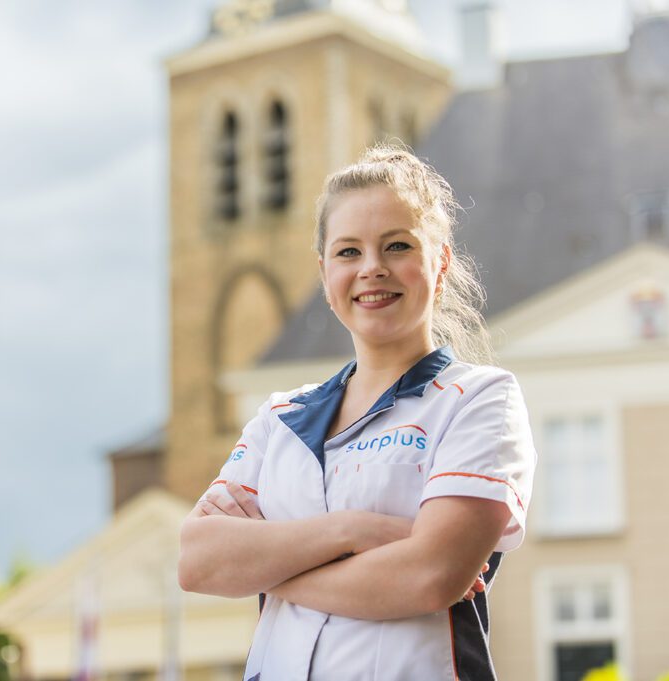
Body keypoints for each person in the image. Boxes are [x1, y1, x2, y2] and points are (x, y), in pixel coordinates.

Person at [177, 144, 537, 681]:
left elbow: (430, 576)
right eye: (348, 252)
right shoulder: (280, 418)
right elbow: (198, 560)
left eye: (396, 246)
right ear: (325, 276)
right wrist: (354, 530)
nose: (372, 268)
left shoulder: (478, 400)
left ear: (438, 267)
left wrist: (268, 571)